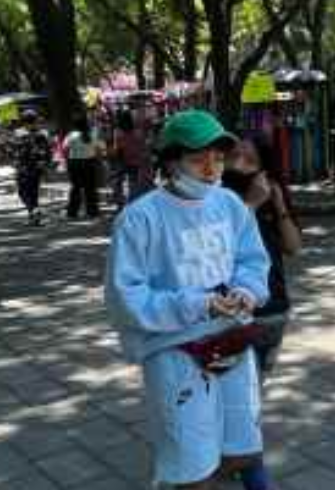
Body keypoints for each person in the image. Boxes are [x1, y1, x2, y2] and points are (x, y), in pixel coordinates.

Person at [106, 109, 274, 490]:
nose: (211, 168)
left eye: (218, 157)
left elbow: (251, 258)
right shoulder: (139, 219)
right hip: (174, 351)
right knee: (190, 459)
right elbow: (126, 296)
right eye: (198, 158)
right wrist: (198, 304)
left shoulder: (229, 204)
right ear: (171, 160)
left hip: (231, 338)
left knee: (241, 442)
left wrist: (245, 292)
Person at [222, 137, 301, 377]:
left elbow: (293, 247)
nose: (238, 164)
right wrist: (251, 205)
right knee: (236, 398)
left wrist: (279, 207)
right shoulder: (219, 198)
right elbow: (221, 248)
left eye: (249, 160)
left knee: (254, 393)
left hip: (272, 309)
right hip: (232, 311)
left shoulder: (270, 196)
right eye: (233, 157)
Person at [12, 110, 52, 226]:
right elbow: (48, 152)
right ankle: (34, 216)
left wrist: (15, 163)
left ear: (24, 122)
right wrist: (46, 165)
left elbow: (14, 151)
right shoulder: (43, 134)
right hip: (37, 168)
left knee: (23, 192)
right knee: (33, 192)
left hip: (24, 168)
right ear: (35, 120)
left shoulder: (19, 134)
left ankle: (33, 211)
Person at [64, 116, 105, 219]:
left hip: (75, 164)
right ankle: (92, 212)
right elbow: (99, 149)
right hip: (89, 163)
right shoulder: (92, 135)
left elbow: (65, 149)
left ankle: (72, 212)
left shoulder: (71, 136)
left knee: (76, 188)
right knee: (90, 188)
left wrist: (67, 161)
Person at [110, 110, 152, 208]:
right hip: (134, 160)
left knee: (118, 181)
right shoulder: (137, 132)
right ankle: (132, 201)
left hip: (121, 160)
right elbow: (142, 146)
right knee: (133, 182)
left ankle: (120, 200)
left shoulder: (118, 131)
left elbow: (117, 147)